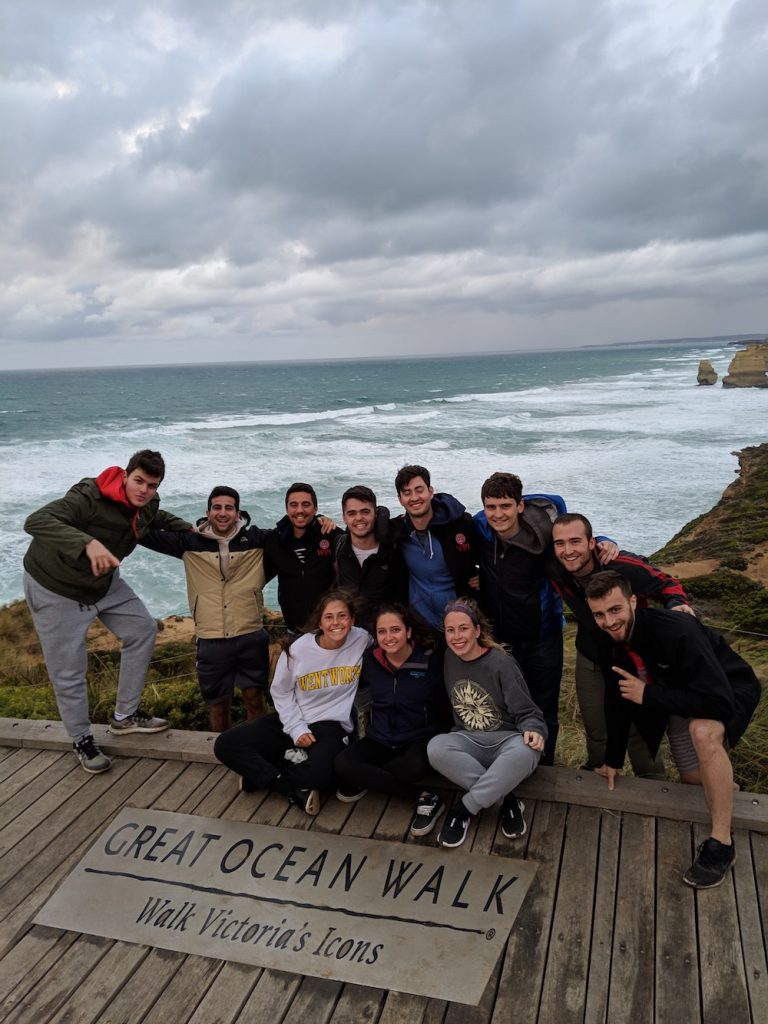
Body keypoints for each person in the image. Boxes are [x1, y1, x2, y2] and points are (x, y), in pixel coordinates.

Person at [585, 571, 761, 889]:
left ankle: (722, 844)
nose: (609, 621)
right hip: (682, 693)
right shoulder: (609, 639)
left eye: (615, 610)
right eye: (599, 614)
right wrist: (612, 759)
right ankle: (728, 791)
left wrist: (649, 695)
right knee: (694, 779)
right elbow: (618, 697)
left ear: (633, 602)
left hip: (727, 689)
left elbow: (717, 702)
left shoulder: (676, 630)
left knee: (704, 734)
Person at [22, 450, 192, 773]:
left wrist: (188, 528)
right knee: (70, 671)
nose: (144, 490)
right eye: (139, 481)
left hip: (103, 584)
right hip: (56, 588)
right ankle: (82, 739)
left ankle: (125, 717)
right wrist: (87, 542)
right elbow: (36, 520)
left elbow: (153, 517)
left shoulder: (147, 503)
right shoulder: (88, 496)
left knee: (143, 628)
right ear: (125, 475)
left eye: (152, 485)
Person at [474, 472, 618, 765]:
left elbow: (573, 548)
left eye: (505, 506)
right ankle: (512, 764)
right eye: (491, 507)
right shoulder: (481, 530)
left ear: (520, 506)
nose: (498, 514)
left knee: (543, 709)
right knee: (506, 708)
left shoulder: (542, 540)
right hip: (500, 640)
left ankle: (545, 767)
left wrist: (602, 540)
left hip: (542, 638)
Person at [549, 512, 693, 777]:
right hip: (591, 655)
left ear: (592, 543)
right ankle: (599, 774)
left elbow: (667, 583)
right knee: (595, 728)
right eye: (560, 543)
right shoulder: (556, 568)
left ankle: (652, 783)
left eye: (575, 541)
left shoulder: (620, 566)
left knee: (638, 730)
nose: (568, 551)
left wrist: (676, 605)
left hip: (632, 655)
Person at [213, 590, 371, 814]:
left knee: (326, 773)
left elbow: (389, 646)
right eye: (329, 617)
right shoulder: (299, 650)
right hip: (293, 719)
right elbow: (281, 692)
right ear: (319, 621)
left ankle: (262, 776)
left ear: (352, 619)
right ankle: (289, 787)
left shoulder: (361, 639)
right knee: (225, 744)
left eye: (342, 616)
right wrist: (296, 728)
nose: (336, 623)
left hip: (331, 725)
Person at [141, 486, 271, 732]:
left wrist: (322, 521)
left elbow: (295, 533)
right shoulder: (189, 542)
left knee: (255, 699)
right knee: (218, 706)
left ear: (238, 513)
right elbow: (142, 532)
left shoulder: (256, 539)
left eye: (229, 508)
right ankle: (222, 756)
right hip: (211, 639)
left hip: (250, 634)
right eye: (217, 507)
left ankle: (259, 751)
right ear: (208, 512)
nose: (223, 513)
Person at [427, 598, 546, 849]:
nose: (457, 636)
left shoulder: (501, 663)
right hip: (469, 740)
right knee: (435, 748)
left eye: (464, 628)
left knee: (526, 751)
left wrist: (534, 730)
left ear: (477, 630)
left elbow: (528, 712)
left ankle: (464, 809)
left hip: (505, 741)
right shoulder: (449, 657)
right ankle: (506, 800)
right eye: (450, 630)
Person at [334, 604, 450, 837]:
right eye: (382, 632)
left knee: (413, 768)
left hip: (419, 736)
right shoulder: (370, 659)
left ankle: (368, 777)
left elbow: (446, 701)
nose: (389, 638)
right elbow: (357, 689)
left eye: (395, 630)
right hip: (381, 737)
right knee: (343, 763)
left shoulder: (430, 660)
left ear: (408, 632)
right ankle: (423, 797)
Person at [390, 465, 478, 629]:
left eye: (419, 490)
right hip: (420, 623)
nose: (414, 497)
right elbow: (364, 527)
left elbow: (489, 551)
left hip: (459, 621)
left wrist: (485, 576)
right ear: (400, 499)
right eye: (407, 493)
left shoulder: (461, 525)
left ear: (430, 491)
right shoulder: (397, 532)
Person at [263, 483, 343, 634]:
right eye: (294, 505)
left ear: (315, 509)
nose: (299, 510)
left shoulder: (331, 534)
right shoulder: (275, 539)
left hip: (329, 629)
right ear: (287, 509)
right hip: (294, 628)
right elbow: (260, 577)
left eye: (306, 504)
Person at [334, 485, 398, 632]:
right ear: (344, 518)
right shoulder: (338, 546)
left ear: (376, 513)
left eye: (365, 512)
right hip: (349, 636)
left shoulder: (393, 549)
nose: (359, 518)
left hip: (384, 638)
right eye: (351, 513)